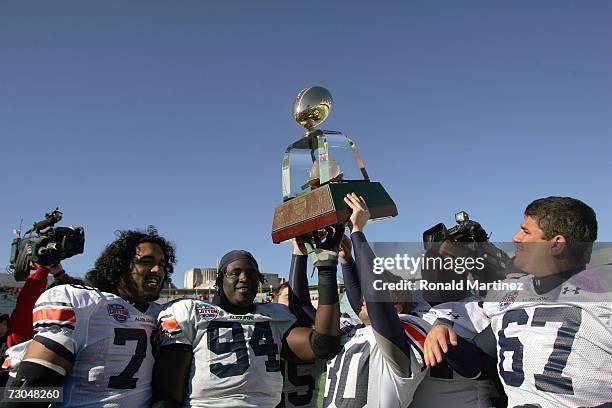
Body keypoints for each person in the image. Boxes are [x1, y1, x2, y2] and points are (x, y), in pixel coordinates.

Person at [424, 196, 612, 407]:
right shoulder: (510, 296)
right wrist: (443, 330)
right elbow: (480, 364)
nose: (516, 237)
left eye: (526, 232)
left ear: (556, 244)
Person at [324, 193, 489, 408]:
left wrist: (446, 339)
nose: (429, 262)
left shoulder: (481, 309)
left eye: (442, 259)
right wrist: (348, 261)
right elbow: (369, 304)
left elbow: (480, 365)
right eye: (429, 256)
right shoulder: (415, 297)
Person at [1, 227, 176, 407]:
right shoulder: (88, 304)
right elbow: (33, 387)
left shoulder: (165, 314)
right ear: (121, 265)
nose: (157, 269)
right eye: (146, 261)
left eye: (162, 264)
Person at [153, 244, 342, 407]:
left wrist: (326, 270)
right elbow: (168, 391)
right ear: (220, 280)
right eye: (235, 273)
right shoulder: (189, 311)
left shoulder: (274, 316)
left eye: (252, 274)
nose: (244, 278)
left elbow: (323, 345)